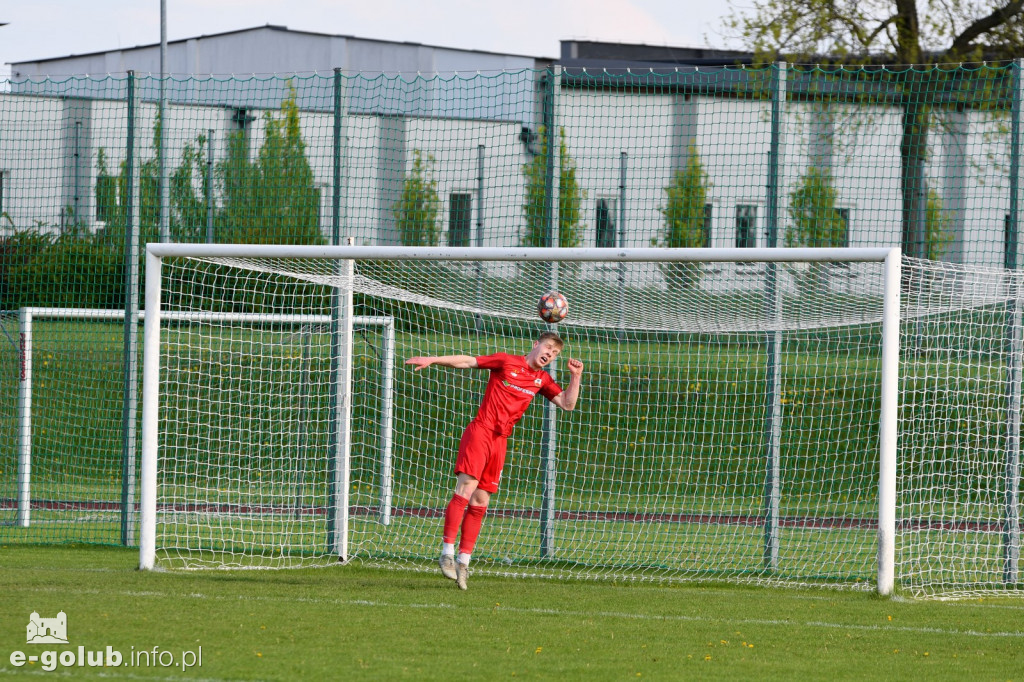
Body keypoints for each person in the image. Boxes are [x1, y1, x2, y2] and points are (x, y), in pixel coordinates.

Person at [405, 331, 584, 590]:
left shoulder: (541, 379)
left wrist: (575, 376)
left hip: (500, 440)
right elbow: (468, 361)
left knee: (481, 500)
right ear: (535, 345)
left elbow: (567, 404)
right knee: (466, 489)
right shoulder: (506, 362)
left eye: (555, 353)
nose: (550, 354)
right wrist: (433, 359)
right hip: (481, 431)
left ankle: (463, 562)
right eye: (547, 348)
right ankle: (446, 552)